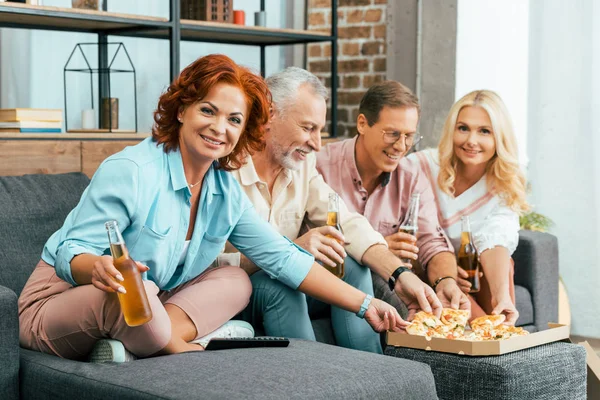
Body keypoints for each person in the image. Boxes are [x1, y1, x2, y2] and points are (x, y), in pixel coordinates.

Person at [17, 55, 406, 363]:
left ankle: (129, 348)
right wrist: (97, 266)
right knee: (130, 299)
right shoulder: (131, 170)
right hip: (64, 299)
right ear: (182, 109)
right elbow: (70, 252)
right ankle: (184, 346)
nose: (220, 127)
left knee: (236, 283)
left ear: (246, 130)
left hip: (152, 301)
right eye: (208, 111)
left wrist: (366, 303)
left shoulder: (222, 189)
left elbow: (284, 257)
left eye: (234, 119)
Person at [220, 67, 442, 354]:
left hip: (289, 274)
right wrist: (292, 248)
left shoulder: (301, 166)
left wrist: (399, 274)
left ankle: (371, 378)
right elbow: (206, 265)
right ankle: (316, 383)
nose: (317, 143)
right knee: (281, 287)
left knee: (352, 264)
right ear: (269, 115)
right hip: (240, 289)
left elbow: (348, 222)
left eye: (319, 130)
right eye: (308, 128)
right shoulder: (224, 168)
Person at [316, 81, 470, 315]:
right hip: (329, 283)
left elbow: (432, 241)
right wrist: (380, 246)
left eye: (409, 136)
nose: (401, 146)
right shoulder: (320, 168)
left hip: (389, 282)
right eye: (393, 134)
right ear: (362, 124)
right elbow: (308, 244)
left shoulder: (411, 175)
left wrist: (446, 281)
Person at [408, 90, 529, 325]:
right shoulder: (423, 166)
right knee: (479, 325)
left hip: (473, 275)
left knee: (505, 266)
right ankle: (490, 341)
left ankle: (502, 321)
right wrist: (447, 274)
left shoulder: (503, 185)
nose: (471, 141)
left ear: (499, 137)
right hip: (424, 269)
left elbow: (496, 238)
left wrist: (502, 296)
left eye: (484, 131)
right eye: (463, 128)